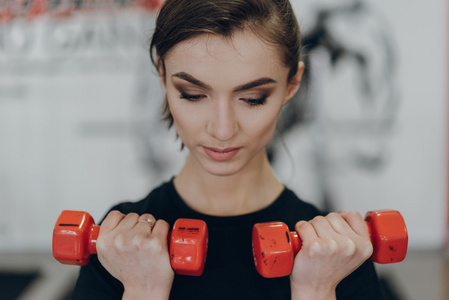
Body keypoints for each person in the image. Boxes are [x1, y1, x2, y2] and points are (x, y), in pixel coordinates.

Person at [71, 0, 385, 299]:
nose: (222, 129)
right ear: (163, 78)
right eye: (193, 94)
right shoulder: (119, 244)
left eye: (253, 98)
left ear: (292, 85)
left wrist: (316, 291)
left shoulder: (338, 254)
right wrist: (143, 290)